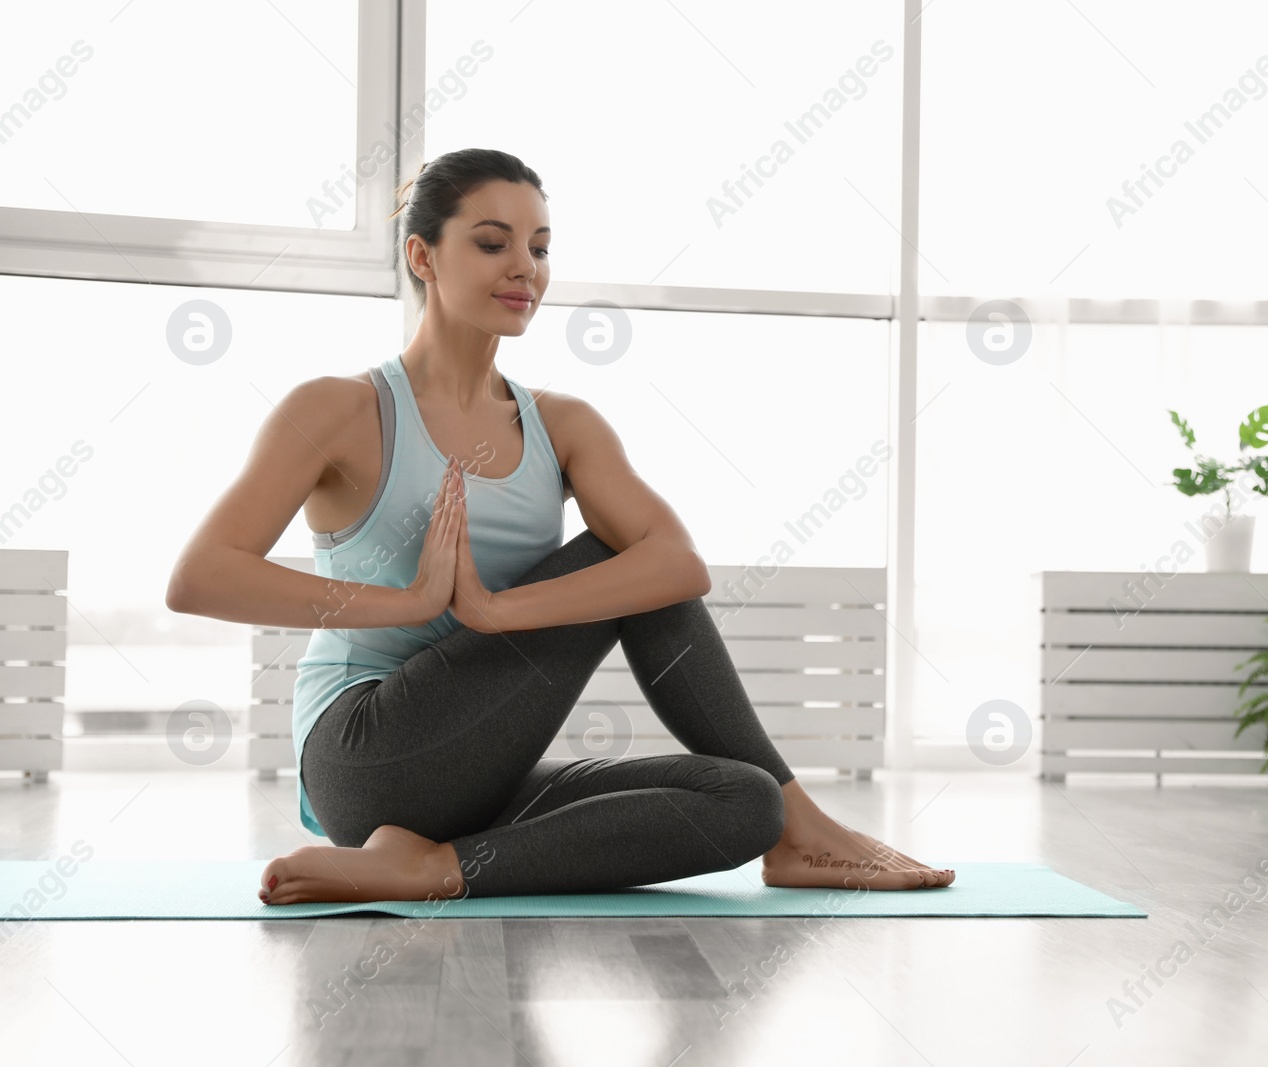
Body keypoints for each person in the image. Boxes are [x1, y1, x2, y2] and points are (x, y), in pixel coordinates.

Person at [165, 147, 954, 903]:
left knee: (744, 801)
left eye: (540, 247)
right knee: (623, 551)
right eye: (491, 242)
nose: (525, 268)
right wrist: (411, 602)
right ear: (423, 256)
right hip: (367, 753)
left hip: (482, 773)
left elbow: (681, 566)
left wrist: (495, 609)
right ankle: (806, 825)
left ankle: (438, 866)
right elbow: (201, 576)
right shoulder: (340, 409)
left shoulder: (564, 425)